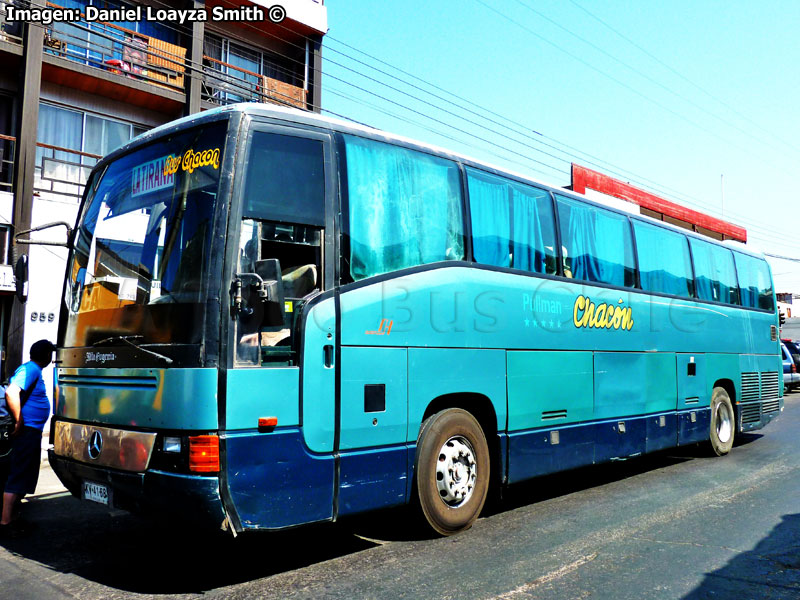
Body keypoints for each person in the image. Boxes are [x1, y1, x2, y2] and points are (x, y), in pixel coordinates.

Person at [0, 339, 55, 535]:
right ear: (47, 356)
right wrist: (18, 420)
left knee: (24, 475)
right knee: (19, 475)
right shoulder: (30, 369)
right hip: (27, 431)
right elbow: (11, 392)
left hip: (31, 431)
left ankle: (13, 519)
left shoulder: (32, 369)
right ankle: (5, 523)